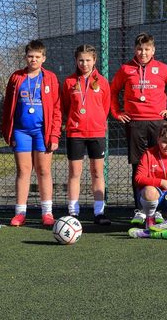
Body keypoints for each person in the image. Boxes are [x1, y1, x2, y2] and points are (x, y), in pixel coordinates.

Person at [110, 32, 167, 225]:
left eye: (147, 49)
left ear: (153, 50)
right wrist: (117, 113)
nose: (143, 53)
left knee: (159, 164)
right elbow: (112, 92)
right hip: (135, 123)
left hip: (158, 122)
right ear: (135, 50)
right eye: (140, 49)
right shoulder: (126, 69)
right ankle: (140, 209)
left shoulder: (163, 68)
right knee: (138, 166)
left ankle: (157, 208)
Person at [2, 40, 61, 227]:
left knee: (44, 170)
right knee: (23, 171)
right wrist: (8, 132)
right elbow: (7, 106)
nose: (33, 59)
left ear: (44, 58)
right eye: (30, 56)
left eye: (37, 56)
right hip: (21, 131)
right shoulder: (16, 77)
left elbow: (57, 108)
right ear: (25, 57)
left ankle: (47, 213)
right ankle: (20, 213)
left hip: (42, 132)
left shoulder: (50, 78)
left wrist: (54, 135)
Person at [62, 45, 111, 225]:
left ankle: (99, 212)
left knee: (97, 172)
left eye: (88, 60)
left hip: (96, 133)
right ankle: (73, 212)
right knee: (75, 172)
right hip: (75, 132)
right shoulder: (69, 82)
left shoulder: (103, 82)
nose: (84, 64)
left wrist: (97, 121)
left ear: (94, 60)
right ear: (76, 61)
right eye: (81, 60)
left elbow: (105, 107)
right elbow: (66, 106)